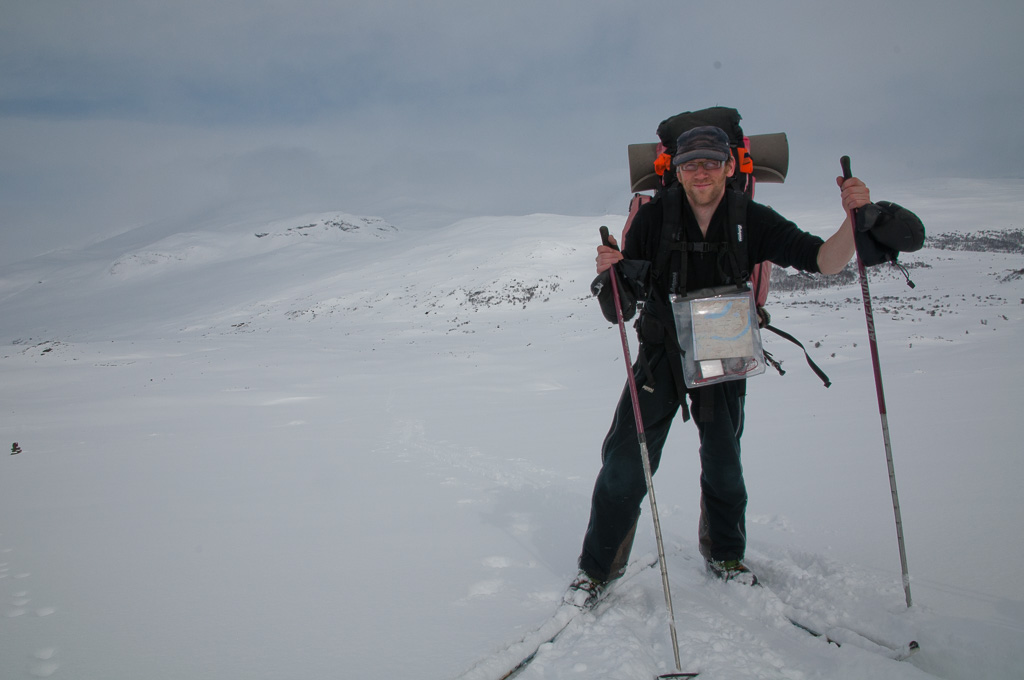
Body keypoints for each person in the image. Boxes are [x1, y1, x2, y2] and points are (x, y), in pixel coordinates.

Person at [565, 126, 870, 606]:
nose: (701, 171)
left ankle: (726, 555)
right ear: (677, 173)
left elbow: (823, 261)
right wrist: (612, 273)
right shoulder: (653, 220)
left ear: (731, 167)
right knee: (626, 464)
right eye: (690, 164)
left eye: (711, 162)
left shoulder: (753, 217)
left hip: (722, 345)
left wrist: (853, 222)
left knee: (724, 463)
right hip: (662, 351)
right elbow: (624, 306)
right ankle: (596, 570)